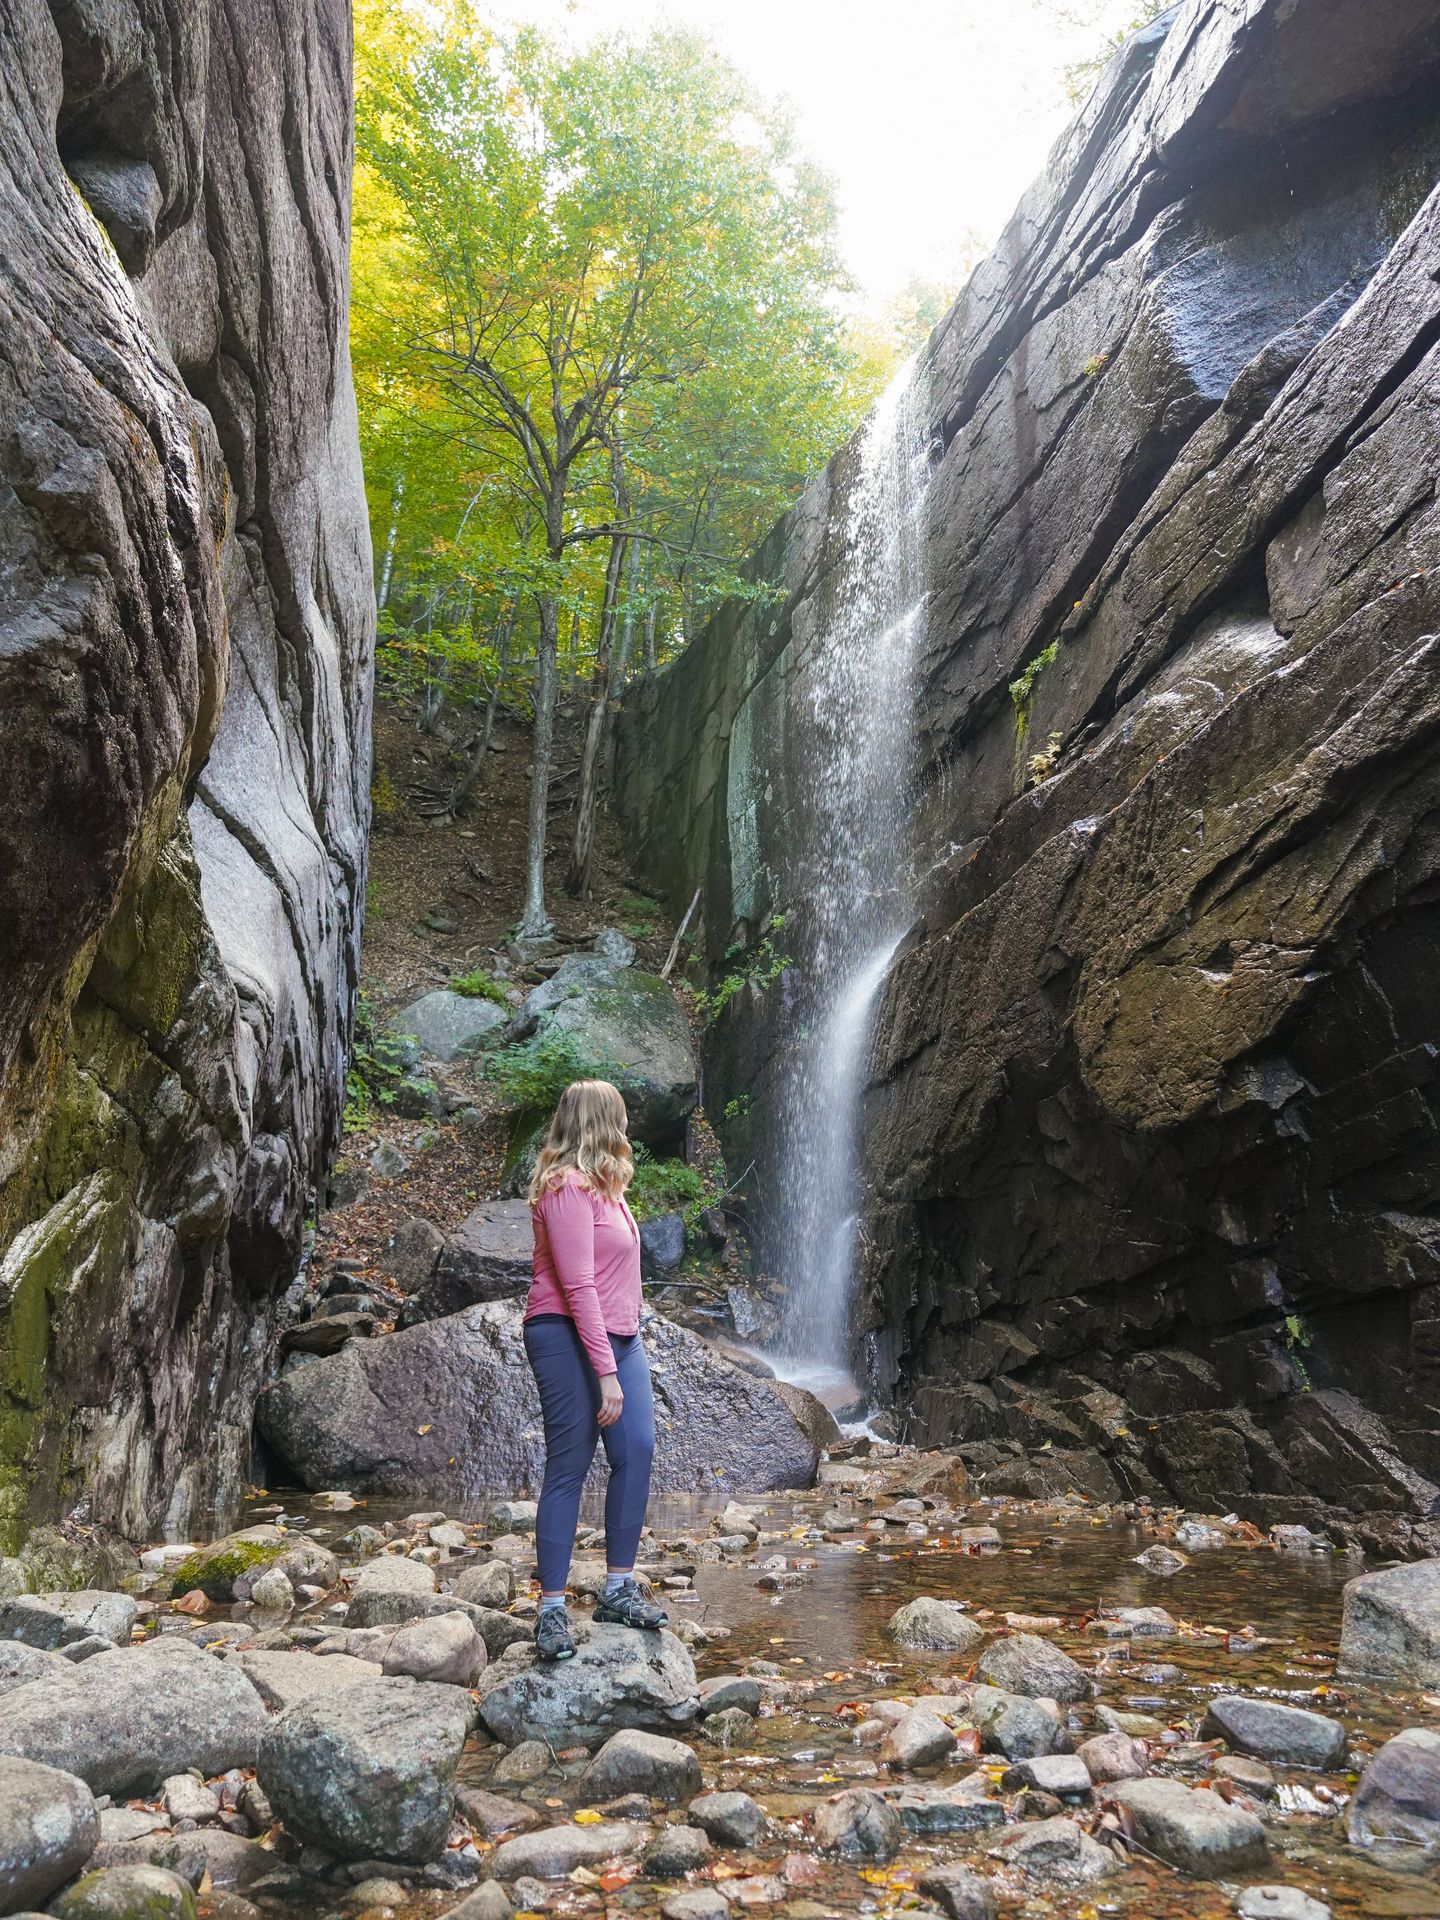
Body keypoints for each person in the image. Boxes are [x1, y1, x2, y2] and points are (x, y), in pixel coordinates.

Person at [523, 1077, 667, 1660]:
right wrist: (605, 1371)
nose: (629, 1126)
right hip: (562, 1333)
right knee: (570, 1462)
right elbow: (577, 1283)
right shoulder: (565, 1188)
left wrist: (628, 1332)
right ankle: (552, 1611)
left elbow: (615, 1278)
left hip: (620, 1335)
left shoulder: (610, 1187)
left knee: (637, 1447)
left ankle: (617, 1588)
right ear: (601, 1120)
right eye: (622, 1117)